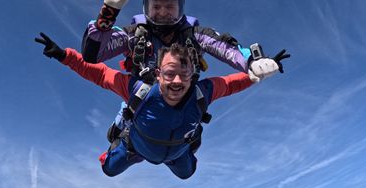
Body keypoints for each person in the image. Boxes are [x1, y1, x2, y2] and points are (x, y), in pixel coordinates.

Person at [35, 34, 283, 179]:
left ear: (193, 75)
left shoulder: (202, 92)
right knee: (108, 169)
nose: (177, 81)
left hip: (177, 152)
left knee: (187, 174)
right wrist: (65, 56)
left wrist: (259, 71)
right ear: (157, 74)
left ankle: (183, 148)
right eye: (169, 73)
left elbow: (231, 84)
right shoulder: (138, 89)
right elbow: (100, 74)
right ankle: (122, 132)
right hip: (136, 147)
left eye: (184, 75)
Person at [81, 0, 281, 83]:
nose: (163, 12)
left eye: (170, 7)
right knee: (123, 126)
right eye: (156, 7)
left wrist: (252, 61)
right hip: (141, 101)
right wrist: (109, 11)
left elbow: (225, 48)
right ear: (146, 9)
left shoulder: (194, 34)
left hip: (183, 104)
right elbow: (93, 55)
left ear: (180, 8)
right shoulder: (135, 34)